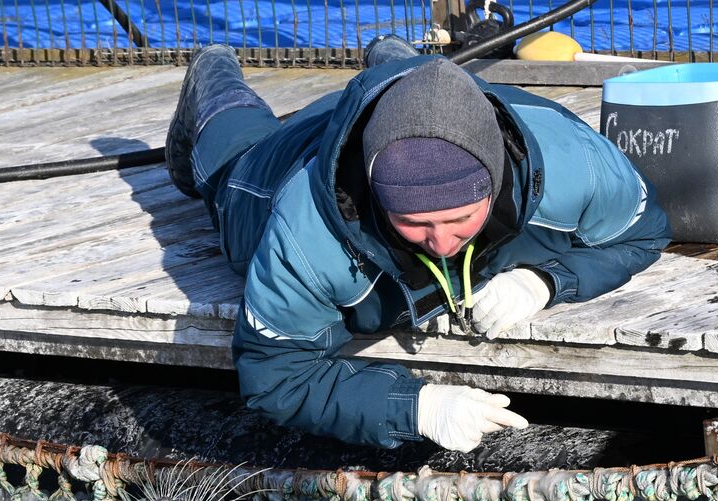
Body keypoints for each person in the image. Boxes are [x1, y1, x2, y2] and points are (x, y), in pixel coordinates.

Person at [165, 42, 670, 453]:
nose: (442, 241)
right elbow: (275, 376)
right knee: (227, 140)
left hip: (402, 120)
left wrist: (546, 280)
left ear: (494, 185)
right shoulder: (306, 236)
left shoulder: (575, 165)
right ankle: (213, 68)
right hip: (272, 166)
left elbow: (644, 231)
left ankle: (397, 61)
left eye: (460, 217)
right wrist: (415, 406)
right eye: (412, 222)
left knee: (426, 80)